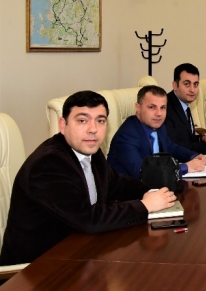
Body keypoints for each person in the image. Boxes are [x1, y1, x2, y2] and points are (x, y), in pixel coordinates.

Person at [0, 91, 176, 265]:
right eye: (82, 121)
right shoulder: (48, 163)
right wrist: (145, 206)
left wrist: (155, 191)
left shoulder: (90, 151)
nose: (93, 129)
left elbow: (117, 184)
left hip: (77, 249)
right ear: (63, 125)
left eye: (100, 121)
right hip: (35, 268)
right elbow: (89, 219)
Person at [107, 85, 206, 179]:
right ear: (138, 108)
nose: (159, 114)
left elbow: (172, 148)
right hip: (131, 191)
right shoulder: (126, 136)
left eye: (163, 108)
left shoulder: (159, 127)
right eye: (152, 107)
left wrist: (194, 156)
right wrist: (185, 167)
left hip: (158, 186)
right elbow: (143, 173)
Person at [164, 63, 206, 154]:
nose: (192, 90)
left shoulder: (183, 103)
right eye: (187, 84)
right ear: (175, 85)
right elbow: (173, 145)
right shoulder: (165, 107)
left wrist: (203, 139)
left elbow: (186, 139)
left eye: (195, 84)